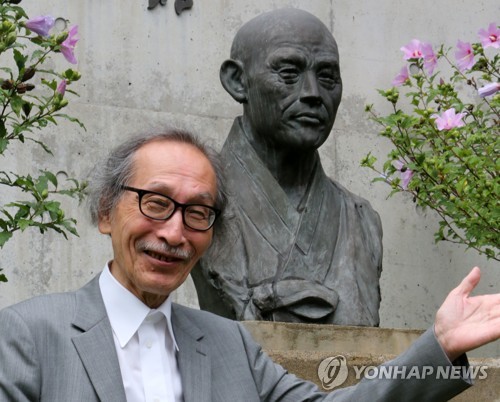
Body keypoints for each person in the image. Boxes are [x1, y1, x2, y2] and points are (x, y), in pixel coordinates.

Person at [0, 128, 499, 402]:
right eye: (155, 203)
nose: (175, 233)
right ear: (106, 211)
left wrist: (441, 344)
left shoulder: (229, 343)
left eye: (198, 213)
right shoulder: (27, 335)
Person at [192, 8, 383, 326]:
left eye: (327, 77)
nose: (313, 93)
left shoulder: (361, 218)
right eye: (289, 74)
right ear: (238, 82)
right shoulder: (196, 206)